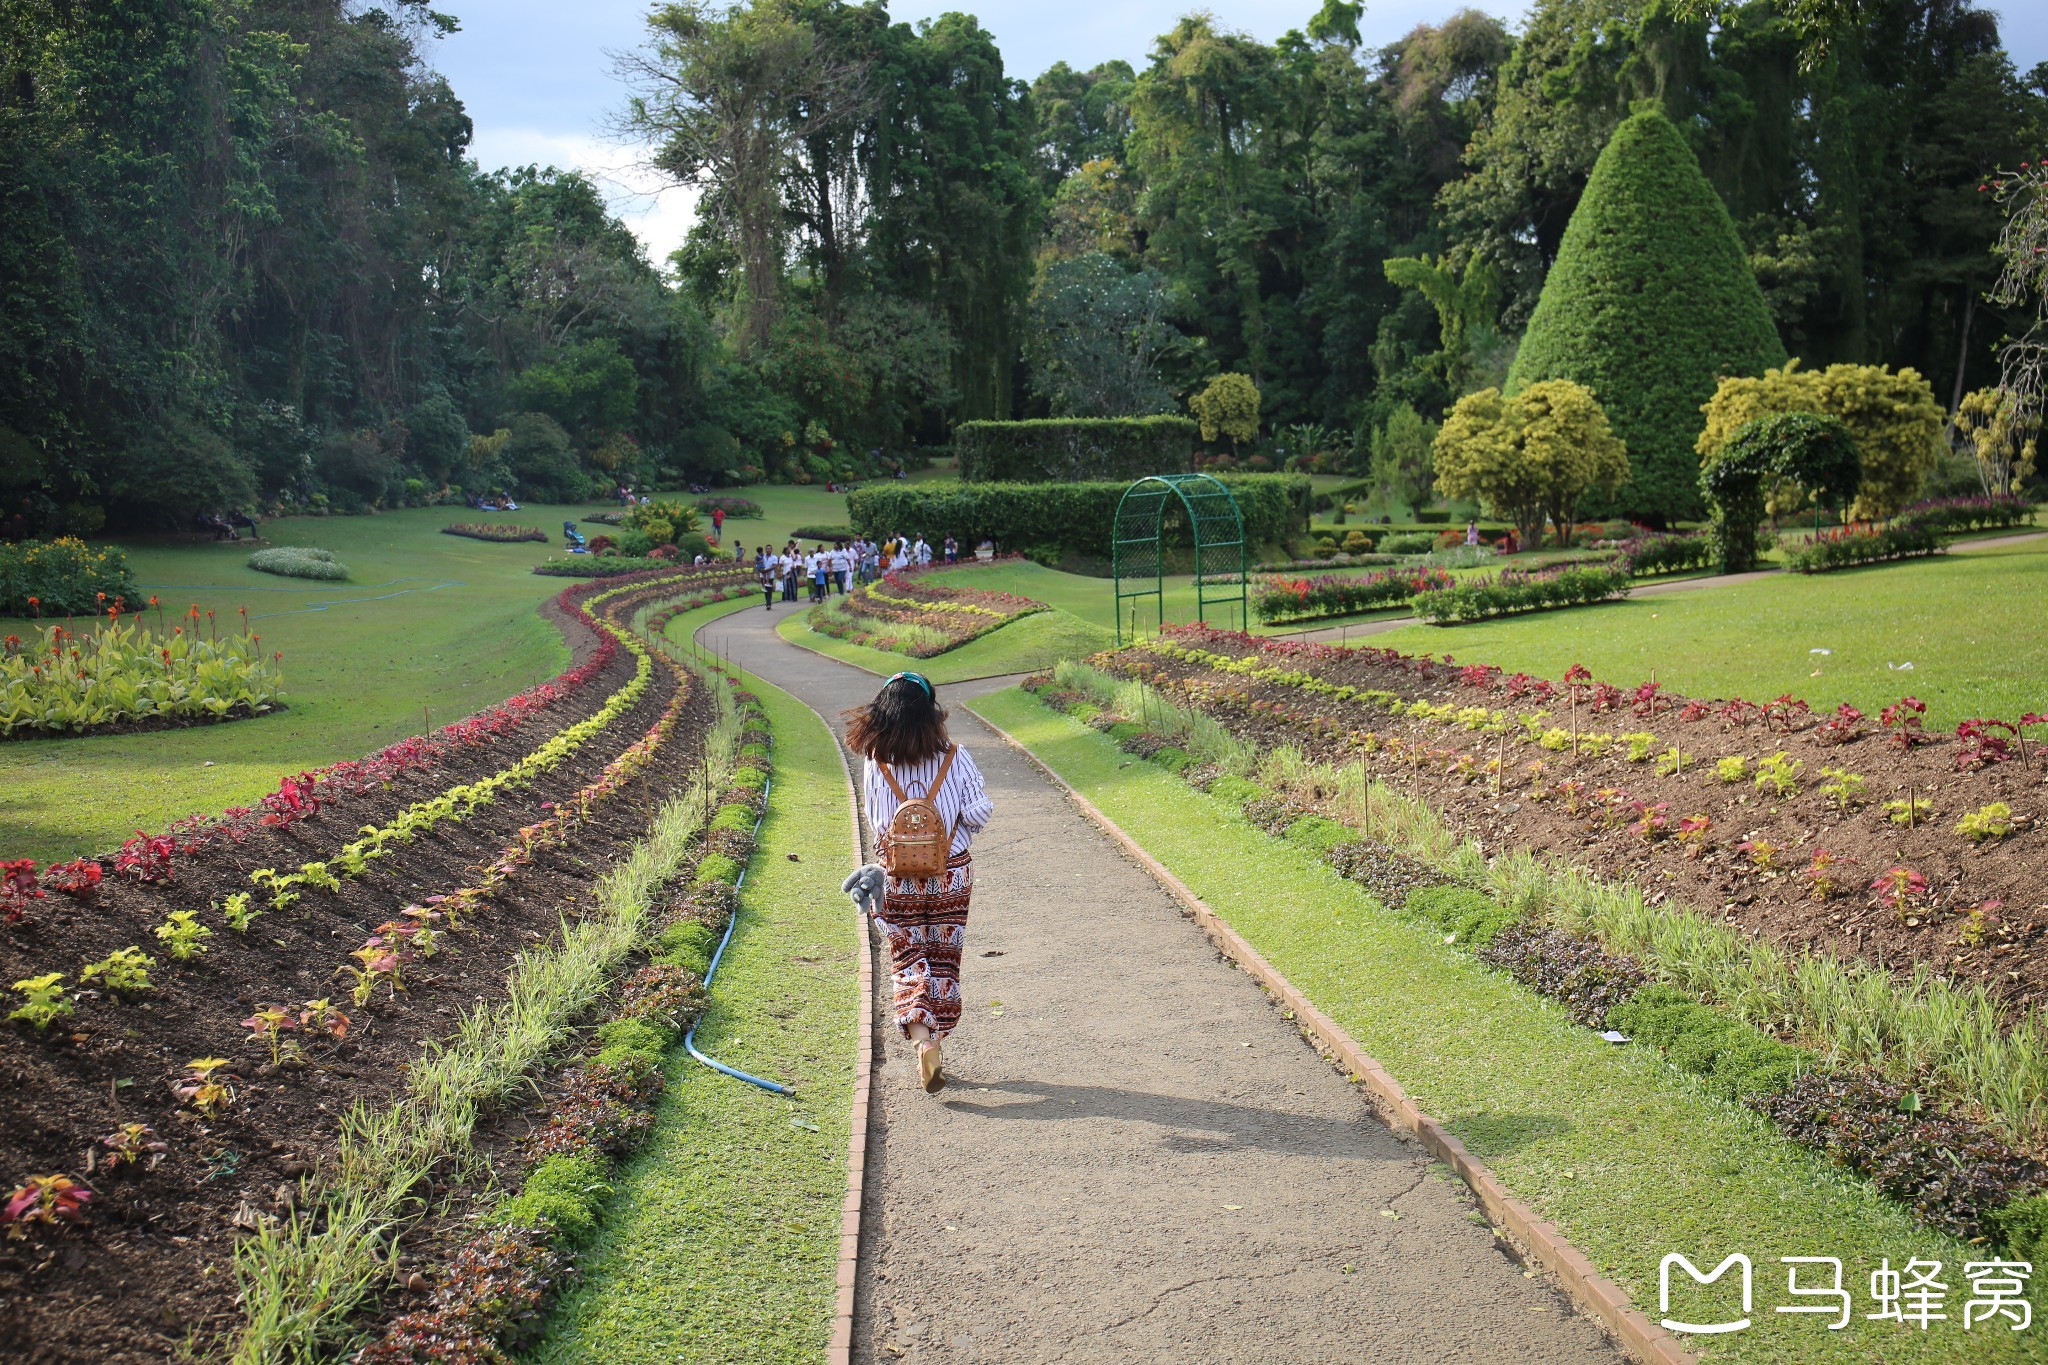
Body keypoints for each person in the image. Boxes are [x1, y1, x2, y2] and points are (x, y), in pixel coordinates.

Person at [842, 672, 994, 1093]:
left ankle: (924, 1042)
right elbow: (979, 814)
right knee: (943, 956)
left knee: (907, 955)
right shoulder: (955, 756)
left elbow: (877, 826)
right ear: (931, 712)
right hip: (951, 870)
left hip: (896, 875)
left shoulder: (875, 761)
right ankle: (937, 1036)